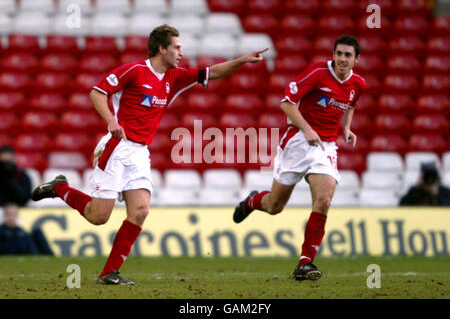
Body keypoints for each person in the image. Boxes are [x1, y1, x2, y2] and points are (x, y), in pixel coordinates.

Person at [31, 24, 268, 285]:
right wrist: (112, 120)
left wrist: (243, 61)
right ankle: (61, 188)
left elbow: (211, 73)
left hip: (140, 152)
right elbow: (97, 92)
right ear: (161, 48)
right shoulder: (134, 71)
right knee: (99, 217)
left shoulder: (174, 77)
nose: (181, 52)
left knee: (141, 211)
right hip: (117, 147)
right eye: (176, 47)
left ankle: (109, 273)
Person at [232, 35, 366, 281]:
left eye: (348, 55)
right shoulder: (317, 72)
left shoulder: (358, 83)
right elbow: (286, 103)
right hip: (297, 141)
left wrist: (346, 128)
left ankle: (305, 262)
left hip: (325, 147)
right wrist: (306, 129)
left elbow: (350, 105)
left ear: (356, 59)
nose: (342, 59)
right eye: (339, 54)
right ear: (333, 54)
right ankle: (253, 201)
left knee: (323, 200)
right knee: (275, 206)